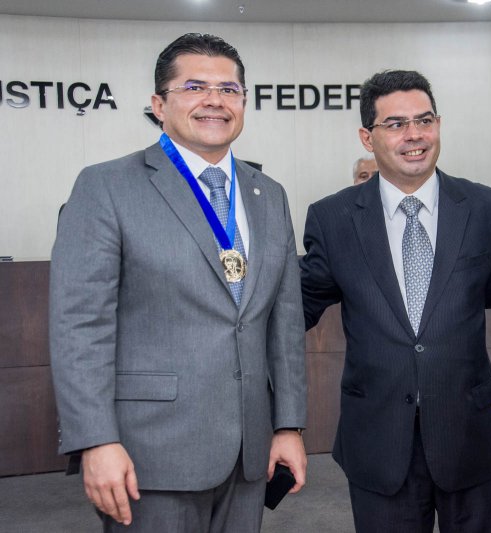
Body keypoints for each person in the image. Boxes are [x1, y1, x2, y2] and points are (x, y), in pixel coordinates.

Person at [50, 33, 307, 532]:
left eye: (229, 89)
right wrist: (95, 440)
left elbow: (285, 321)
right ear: (158, 104)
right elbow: (79, 325)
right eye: (194, 87)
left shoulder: (267, 194)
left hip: (249, 453)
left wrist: (288, 424)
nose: (215, 100)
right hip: (148, 453)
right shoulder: (107, 186)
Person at [301, 70, 491, 533]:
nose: (414, 135)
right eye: (396, 124)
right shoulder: (334, 217)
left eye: (424, 120)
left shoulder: (486, 208)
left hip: (470, 436)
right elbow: (296, 306)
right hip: (378, 440)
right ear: (367, 136)